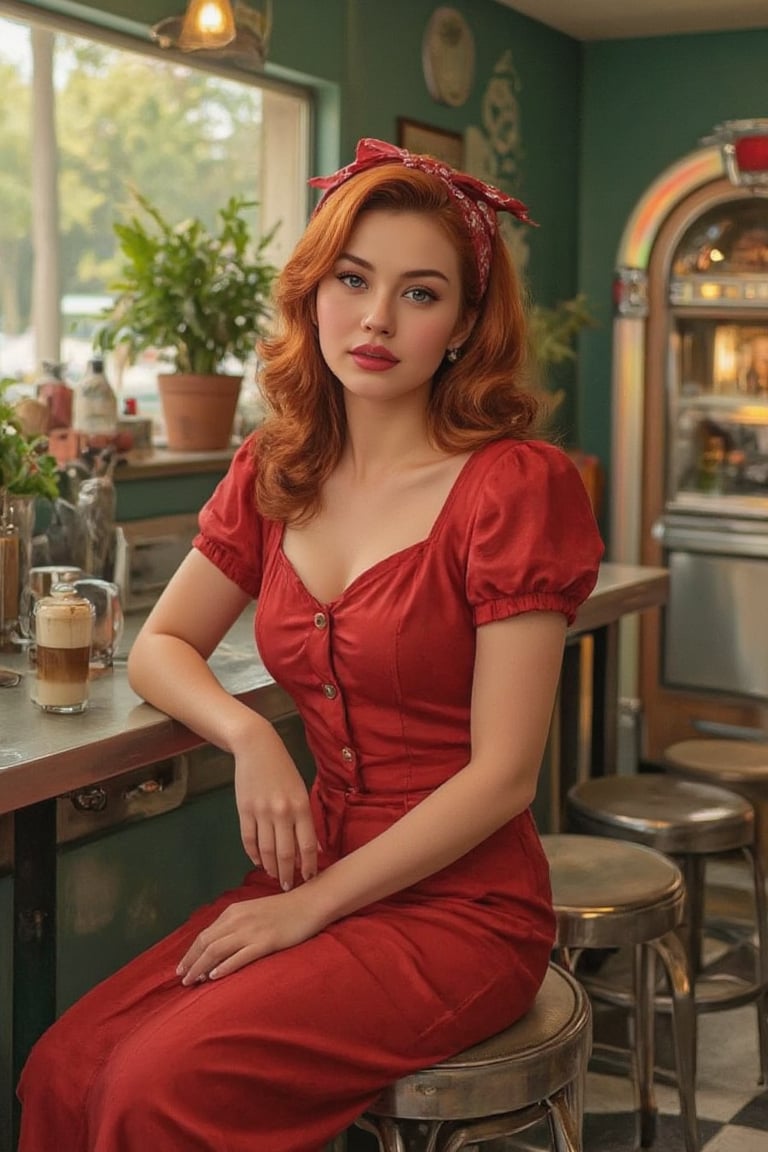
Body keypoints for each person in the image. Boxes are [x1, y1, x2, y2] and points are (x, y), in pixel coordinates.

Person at [17, 137, 603, 1152]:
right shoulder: (278, 464)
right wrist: (247, 737)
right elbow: (160, 647)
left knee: (156, 1090)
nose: (376, 318)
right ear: (314, 293)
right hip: (314, 873)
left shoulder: (515, 486)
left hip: (459, 909)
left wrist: (311, 909)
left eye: (420, 295)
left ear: (464, 326)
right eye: (353, 279)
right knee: (62, 1069)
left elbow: (506, 776)